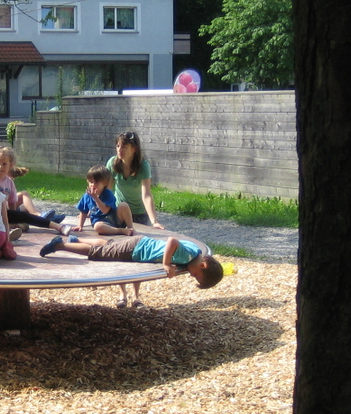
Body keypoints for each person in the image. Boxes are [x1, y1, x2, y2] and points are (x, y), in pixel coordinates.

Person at [40, 233, 225, 302]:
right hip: (136, 250)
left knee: (109, 245)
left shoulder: (195, 253)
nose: (191, 276)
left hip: (140, 243)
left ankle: (76, 240)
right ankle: (60, 245)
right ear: (203, 265)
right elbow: (172, 241)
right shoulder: (188, 257)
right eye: (196, 275)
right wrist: (166, 263)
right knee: (99, 253)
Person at [107, 130, 166, 305]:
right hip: (119, 212)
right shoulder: (112, 163)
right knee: (120, 252)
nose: (119, 149)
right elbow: (108, 191)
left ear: (134, 149)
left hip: (138, 214)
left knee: (137, 254)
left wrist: (154, 221)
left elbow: (146, 194)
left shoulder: (143, 166)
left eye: (124, 146)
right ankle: (122, 294)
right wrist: (98, 211)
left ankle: (136, 296)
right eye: (118, 146)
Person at [0, 145, 70, 237]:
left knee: (26, 213)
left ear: (10, 165)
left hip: (5, 213)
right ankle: (17, 227)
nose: (0, 167)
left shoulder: (9, 182)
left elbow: (12, 203)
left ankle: (56, 224)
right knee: (25, 218)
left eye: (4, 164)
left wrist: (14, 217)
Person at [75, 164, 136, 236]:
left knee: (123, 205)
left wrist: (96, 198)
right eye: (91, 182)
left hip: (114, 218)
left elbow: (105, 210)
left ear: (105, 183)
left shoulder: (108, 193)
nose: (93, 185)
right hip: (101, 222)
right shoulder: (87, 196)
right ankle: (120, 231)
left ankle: (130, 228)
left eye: (97, 182)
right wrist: (80, 225)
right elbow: (83, 211)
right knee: (98, 227)